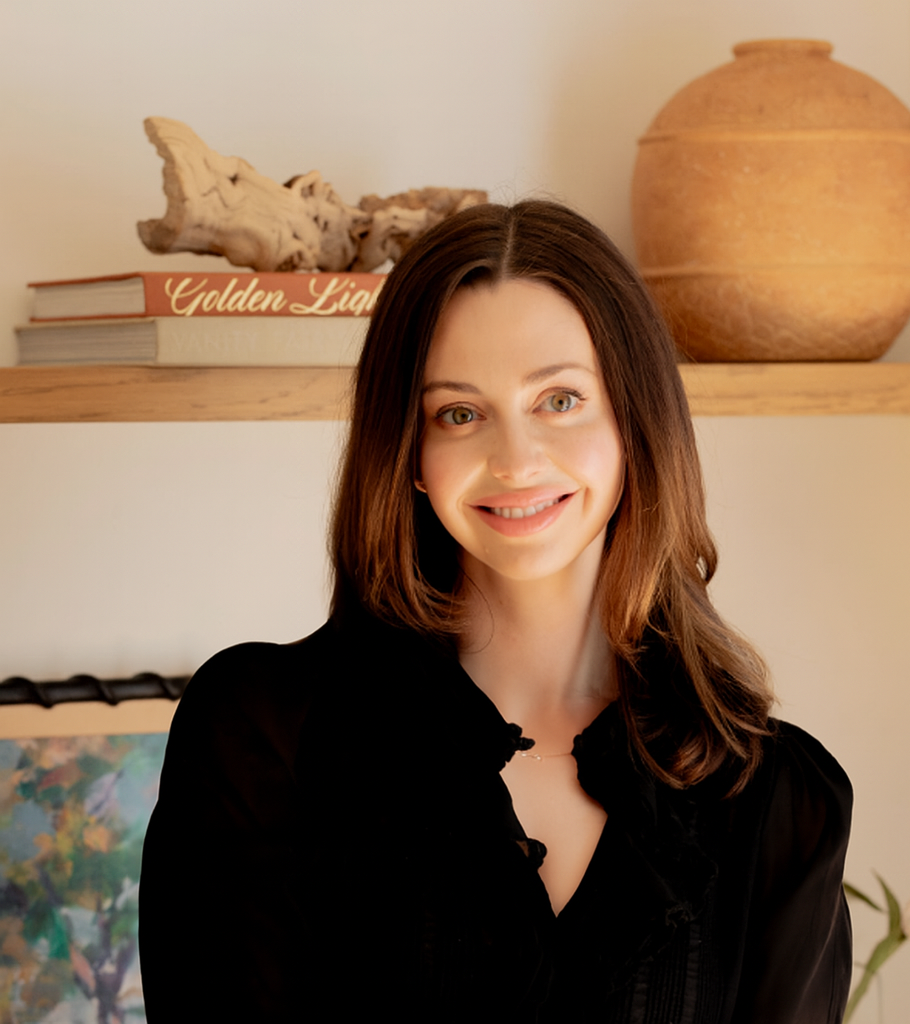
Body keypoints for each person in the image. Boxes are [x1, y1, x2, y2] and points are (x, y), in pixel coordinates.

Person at [140, 200, 853, 1023]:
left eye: (559, 401)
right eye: (460, 413)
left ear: (636, 420)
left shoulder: (776, 796)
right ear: (409, 455)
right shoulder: (264, 734)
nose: (515, 461)